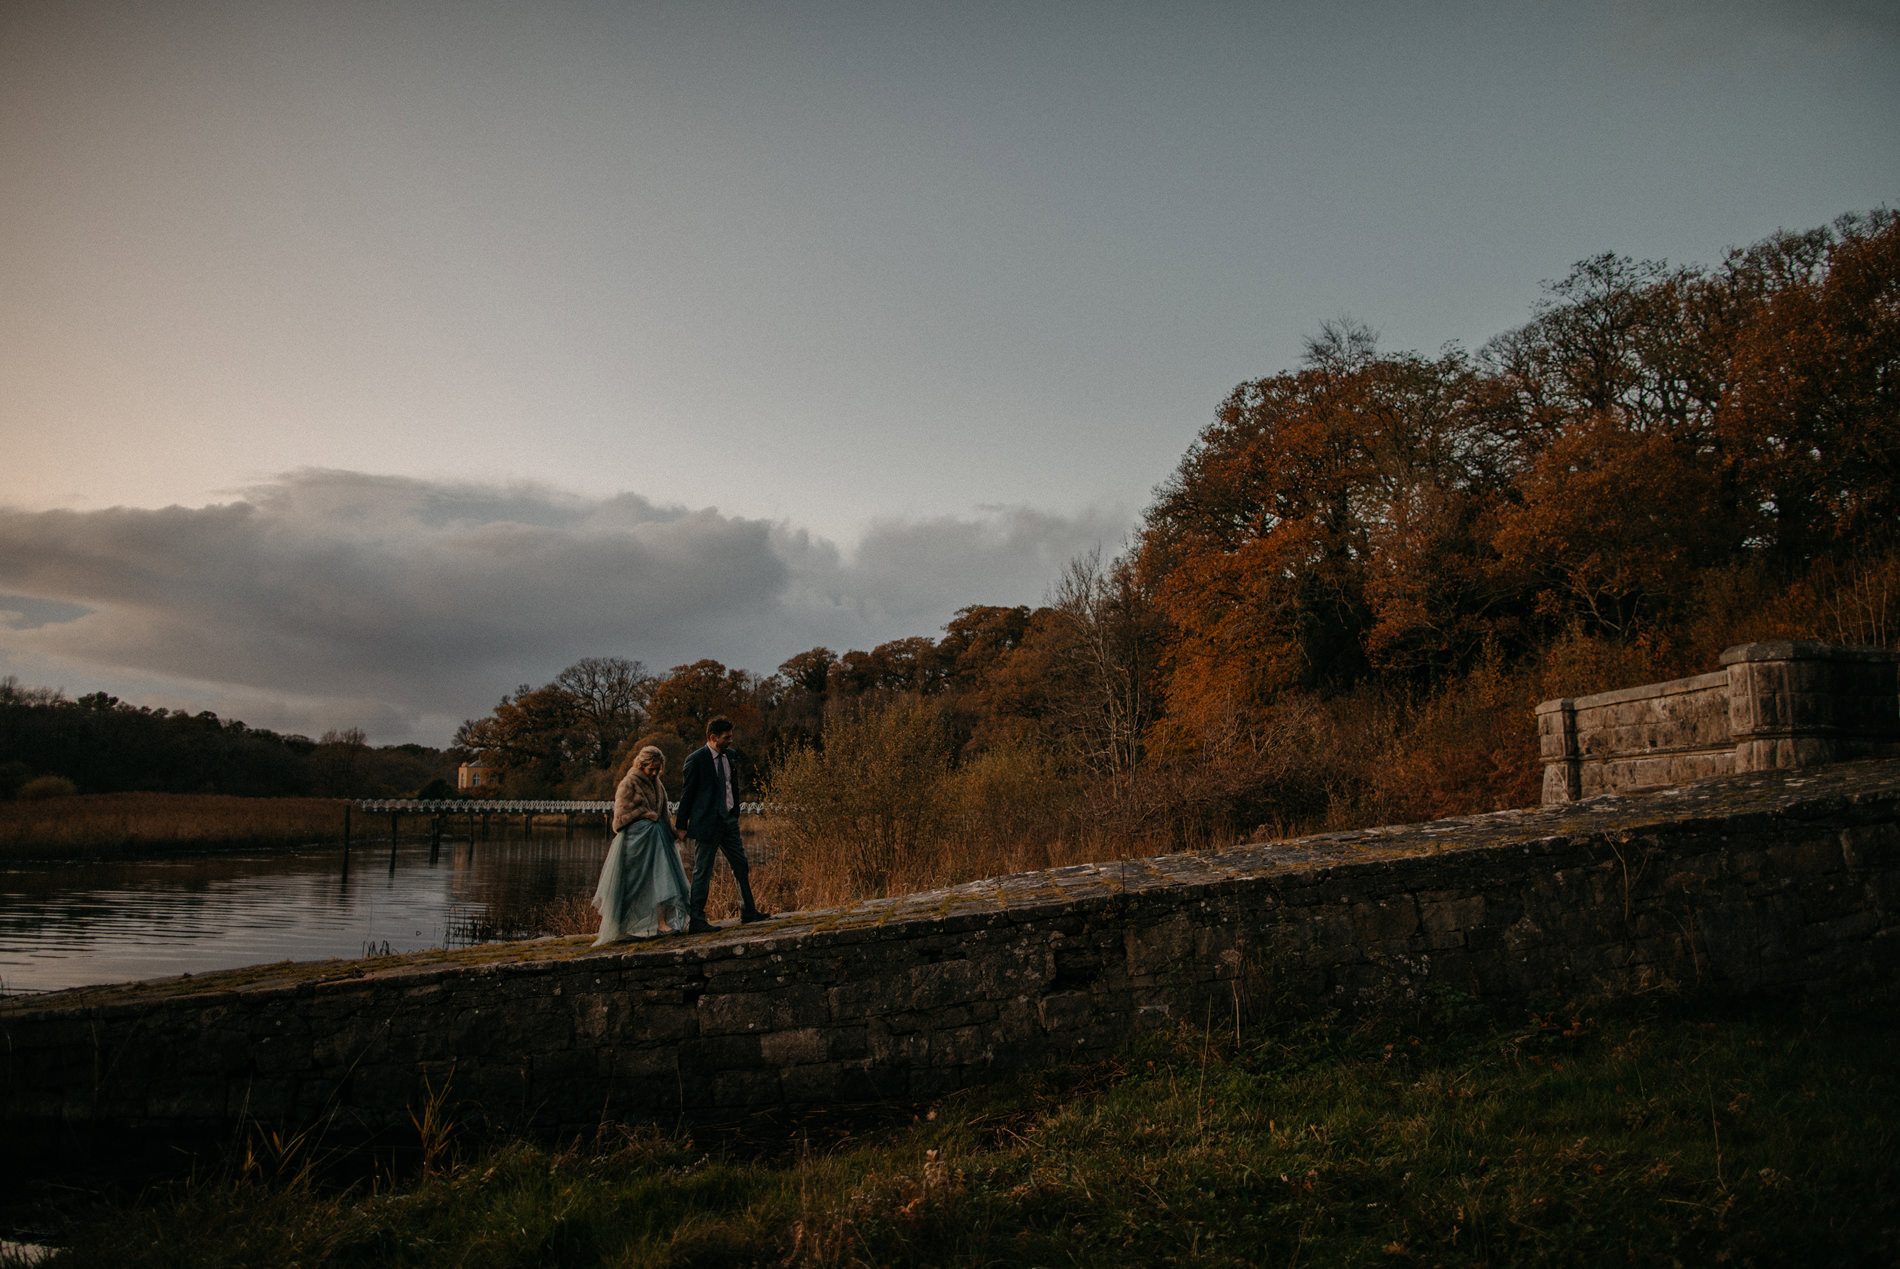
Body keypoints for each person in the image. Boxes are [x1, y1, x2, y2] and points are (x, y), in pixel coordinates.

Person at [675, 716, 770, 932]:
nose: (731, 741)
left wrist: (735, 812)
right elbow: (687, 795)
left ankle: (748, 912)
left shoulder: (732, 757)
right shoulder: (695, 760)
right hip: (706, 823)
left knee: (741, 864)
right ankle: (697, 920)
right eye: (727, 738)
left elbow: (731, 787)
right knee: (702, 871)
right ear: (713, 737)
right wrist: (681, 825)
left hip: (728, 822)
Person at [591, 745, 692, 944]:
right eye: (651, 769)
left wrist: (676, 833)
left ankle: (661, 923)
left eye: (657, 769)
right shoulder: (628, 783)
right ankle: (623, 926)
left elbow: (664, 814)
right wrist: (643, 814)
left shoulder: (658, 784)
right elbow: (618, 822)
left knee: (662, 879)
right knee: (632, 885)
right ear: (641, 765)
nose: (654, 773)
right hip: (635, 844)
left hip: (658, 842)